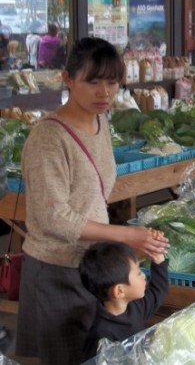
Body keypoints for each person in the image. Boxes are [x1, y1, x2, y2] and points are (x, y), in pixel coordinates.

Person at [15, 37, 169, 365]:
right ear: (68, 79)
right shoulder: (48, 138)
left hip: (92, 269)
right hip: (56, 271)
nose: (104, 92)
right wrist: (126, 236)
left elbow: (97, 193)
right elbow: (54, 218)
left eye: (112, 82)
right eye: (93, 82)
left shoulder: (100, 122)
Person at [79, 241, 169, 361]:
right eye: (138, 272)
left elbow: (158, 292)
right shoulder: (101, 335)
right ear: (119, 291)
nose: (143, 276)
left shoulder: (135, 307)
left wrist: (159, 260)